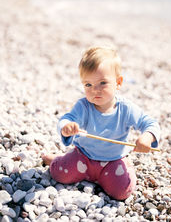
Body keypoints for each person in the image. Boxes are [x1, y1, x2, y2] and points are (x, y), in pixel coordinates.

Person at [42, 45, 160, 200]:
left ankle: (122, 167)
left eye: (102, 83)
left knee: (122, 192)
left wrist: (147, 137)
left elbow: (150, 123)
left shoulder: (125, 108)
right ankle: (57, 159)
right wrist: (66, 127)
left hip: (112, 161)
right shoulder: (84, 106)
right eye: (88, 85)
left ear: (118, 82)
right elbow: (67, 119)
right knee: (58, 174)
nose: (95, 90)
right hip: (83, 157)